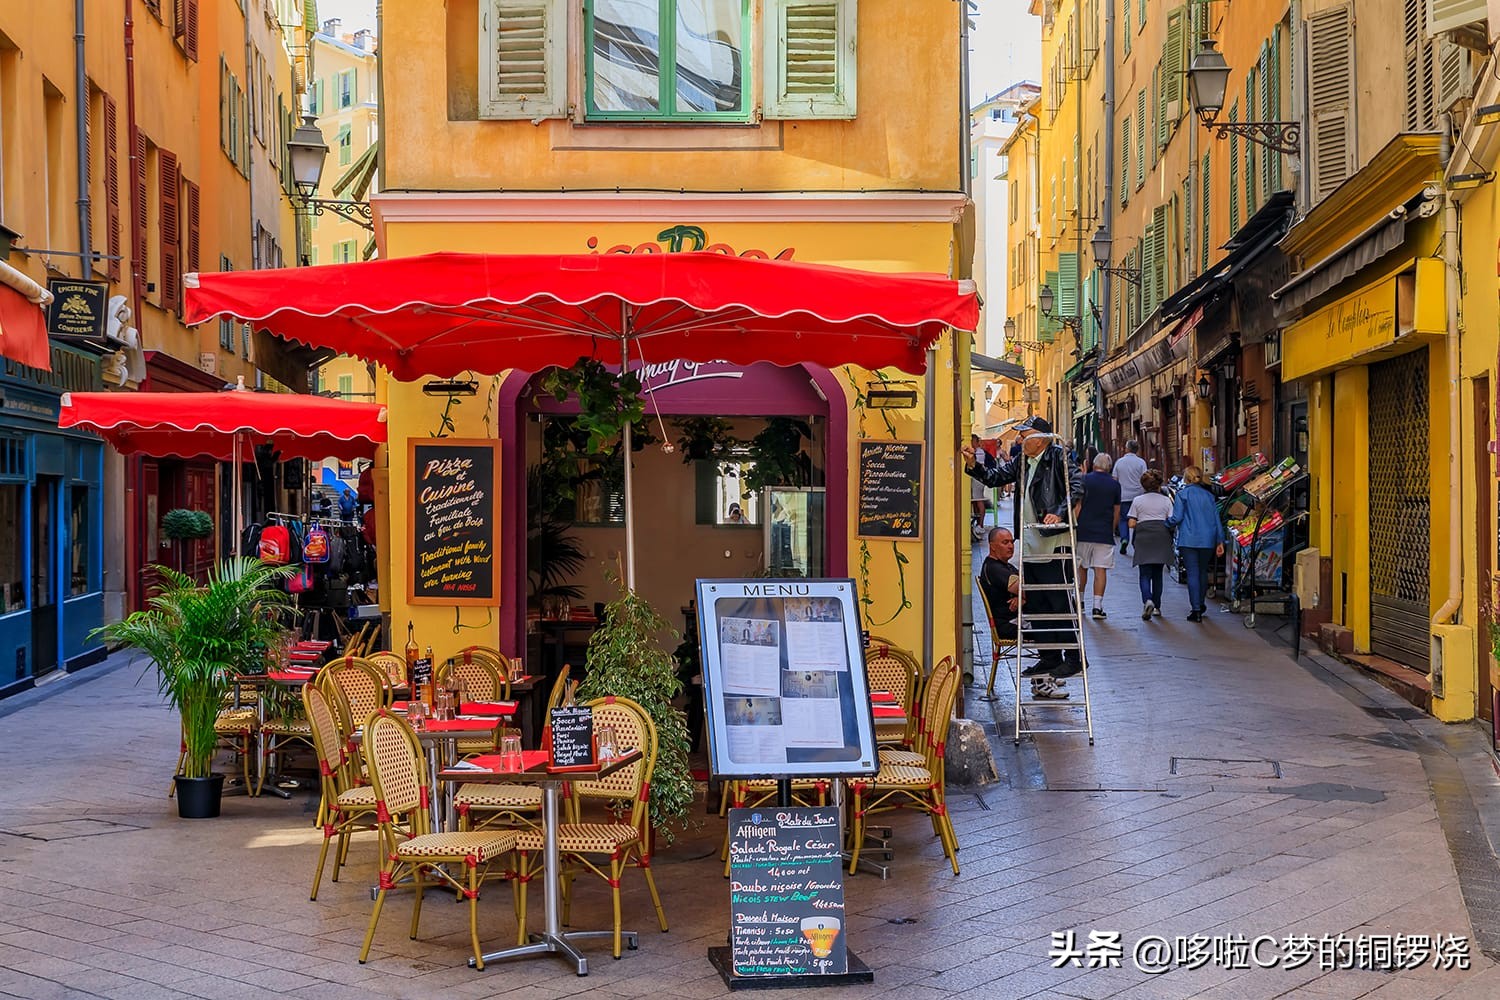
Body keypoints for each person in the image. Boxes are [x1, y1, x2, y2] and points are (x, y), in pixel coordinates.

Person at [962, 415, 1084, 679]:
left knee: (1059, 604)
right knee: (1038, 604)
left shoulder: (1058, 456)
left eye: (1023, 434)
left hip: (1053, 543)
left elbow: (1076, 487)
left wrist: (1060, 512)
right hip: (1031, 543)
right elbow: (995, 477)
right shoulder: (1022, 461)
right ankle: (1049, 658)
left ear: (1039, 439)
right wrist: (973, 465)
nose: (1018, 439)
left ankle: (1074, 658)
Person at [978, 527, 1066, 699]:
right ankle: (1042, 678)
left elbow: (1025, 588)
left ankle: (1049, 671)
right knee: (1047, 626)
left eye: (1012, 542)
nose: (1010, 546)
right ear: (992, 546)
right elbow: (1029, 589)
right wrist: (1024, 594)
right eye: (1005, 542)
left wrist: (1023, 598)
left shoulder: (1006, 565)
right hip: (1009, 624)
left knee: (1052, 620)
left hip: (1018, 617)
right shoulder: (994, 568)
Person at [1166, 465, 1227, 622]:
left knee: (1192, 573)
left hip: (1189, 539)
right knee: (1202, 572)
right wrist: (1220, 540)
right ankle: (1201, 603)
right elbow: (1216, 519)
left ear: (1186, 478)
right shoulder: (1209, 496)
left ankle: (1196, 609)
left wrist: (1166, 523)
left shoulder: (1182, 495)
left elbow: (1177, 518)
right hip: (1207, 540)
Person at [1073, 453, 1121, 620]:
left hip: (1083, 530)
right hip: (1103, 532)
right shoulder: (1115, 485)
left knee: (1081, 568)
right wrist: (1112, 528)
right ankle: (1097, 607)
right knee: (1100, 570)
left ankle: (1079, 602)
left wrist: (1074, 526)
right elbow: (1116, 510)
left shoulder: (1084, 480)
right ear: (1109, 466)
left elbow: (1078, 505)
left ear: (1093, 465)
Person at [1127, 469, 1174, 620]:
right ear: (1159, 484)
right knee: (1158, 575)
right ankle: (1157, 607)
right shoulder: (1166, 501)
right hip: (1161, 536)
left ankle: (1147, 600)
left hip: (1143, 538)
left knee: (1144, 574)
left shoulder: (1137, 500)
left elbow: (1132, 523)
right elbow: (1171, 520)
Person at [1113, 439, 1148, 554]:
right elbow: (1145, 478)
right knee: (1137, 519)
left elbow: (1115, 479)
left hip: (1123, 495)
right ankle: (1135, 541)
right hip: (1138, 496)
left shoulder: (1119, 462)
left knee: (1123, 519)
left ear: (1126, 449)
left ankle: (1124, 538)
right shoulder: (1141, 462)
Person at [969, 434, 994, 541]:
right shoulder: (979, 451)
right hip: (978, 480)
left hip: (977, 480)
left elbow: (975, 466)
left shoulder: (978, 452)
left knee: (978, 499)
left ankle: (980, 525)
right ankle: (978, 523)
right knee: (976, 500)